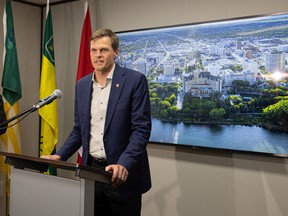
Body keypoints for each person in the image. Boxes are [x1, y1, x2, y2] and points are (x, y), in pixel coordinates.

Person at [41, 28, 152, 216]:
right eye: (94, 50)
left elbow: (141, 130)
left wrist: (123, 164)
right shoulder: (82, 85)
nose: (97, 55)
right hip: (91, 172)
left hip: (121, 174)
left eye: (104, 50)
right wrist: (60, 156)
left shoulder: (135, 81)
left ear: (116, 53)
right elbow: (79, 130)